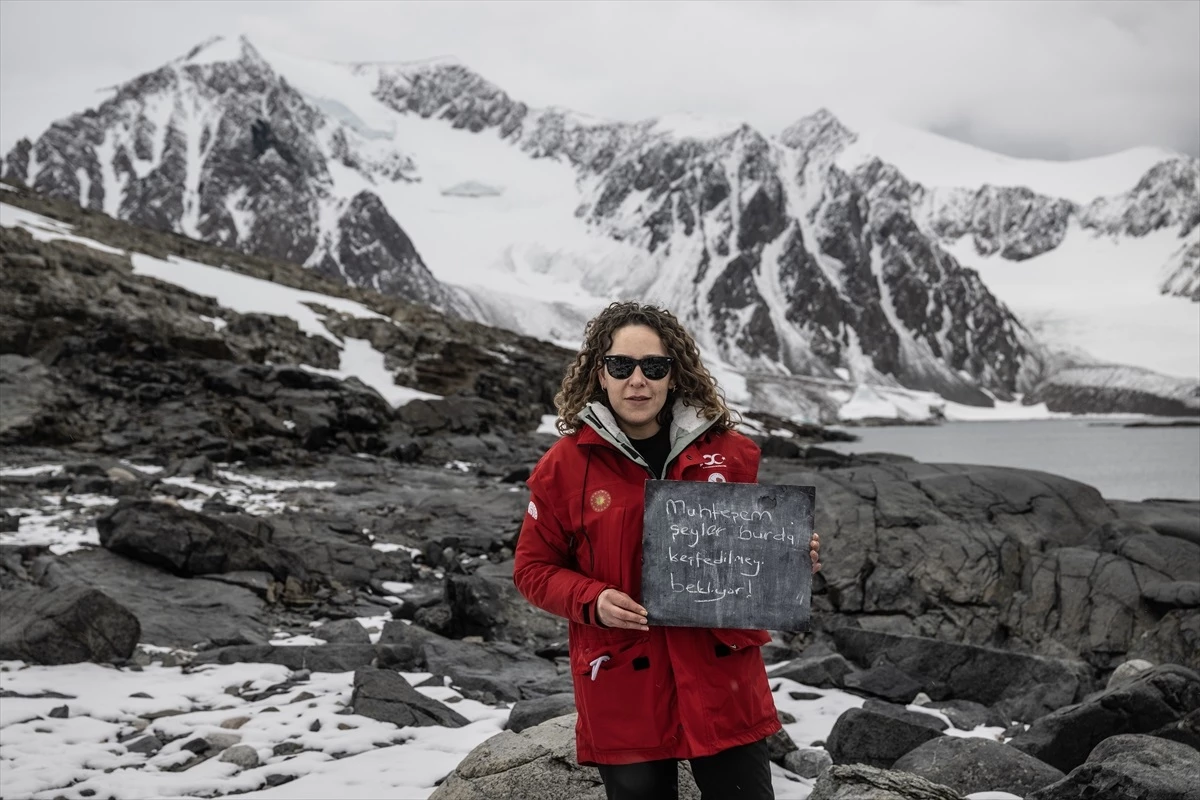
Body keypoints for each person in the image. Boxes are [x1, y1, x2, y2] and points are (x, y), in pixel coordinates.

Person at [513, 302, 822, 800]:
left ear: (673, 375)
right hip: (624, 678)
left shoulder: (729, 453)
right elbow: (533, 568)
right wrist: (592, 599)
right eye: (622, 366)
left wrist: (786, 560)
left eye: (654, 367)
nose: (638, 380)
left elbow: (748, 549)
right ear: (602, 374)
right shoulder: (564, 467)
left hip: (721, 674)